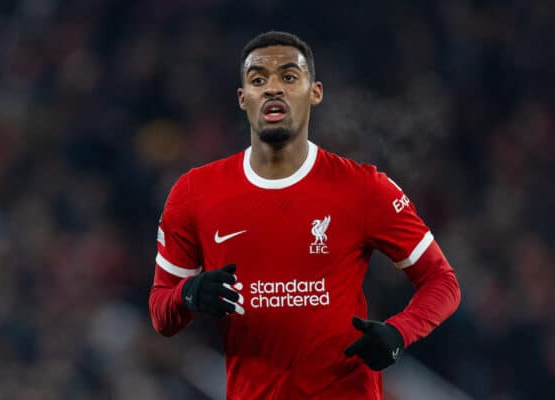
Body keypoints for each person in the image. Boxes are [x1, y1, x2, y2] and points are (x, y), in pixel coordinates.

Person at [149, 31, 461, 399]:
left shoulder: (364, 187)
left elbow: (443, 282)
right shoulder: (194, 193)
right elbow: (161, 313)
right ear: (243, 98)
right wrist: (189, 294)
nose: (273, 88)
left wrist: (399, 332)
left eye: (289, 76)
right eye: (258, 80)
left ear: (315, 92)